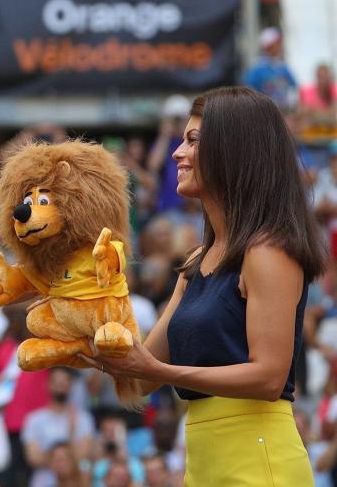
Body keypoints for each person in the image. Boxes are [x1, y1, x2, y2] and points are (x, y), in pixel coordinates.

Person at [80, 86, 327, 485]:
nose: (178, 153)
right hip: (204, 464)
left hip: (258, 462)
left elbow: (268, 377)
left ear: (233, 151)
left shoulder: (268, 252)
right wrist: (85, 324)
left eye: (193, 140)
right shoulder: (197, 260)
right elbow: (143, 377)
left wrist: (163, 370)